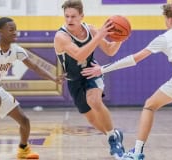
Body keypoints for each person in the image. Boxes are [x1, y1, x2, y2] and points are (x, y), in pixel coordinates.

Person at [81, 4, 172, 160]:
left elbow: (134, 59)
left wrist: (102, 69)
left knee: (150, 106)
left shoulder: (165, 37)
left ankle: (137, 153)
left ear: (169, 20)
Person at [0, 17, 62, 159]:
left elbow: (35, 67)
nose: (15, 32)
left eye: (15, 29)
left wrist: (54, 79)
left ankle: (23, 149)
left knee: (24, 121)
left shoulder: (16, 50)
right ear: (0, 32)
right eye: (11, 30)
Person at [53, 0, 125, 159]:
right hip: (73, 79)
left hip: (91, 71)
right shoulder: (61, 36)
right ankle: (114, 134)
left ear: (81, 16)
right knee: (92, 119)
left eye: (73, 16)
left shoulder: (91, 29)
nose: (70, 20)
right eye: (67, 16)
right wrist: (99, 35)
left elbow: (110, 51)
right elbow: (79, 55)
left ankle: (113, 140)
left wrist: (121, 38)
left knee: (94, 100)